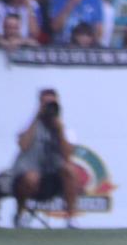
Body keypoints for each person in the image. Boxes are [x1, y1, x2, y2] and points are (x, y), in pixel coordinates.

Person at [8, 87, 79, 226]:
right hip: (28, 176)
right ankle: (21, 214)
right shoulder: (29, 126)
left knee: (70, 171)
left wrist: (59, 131)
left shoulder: (65, 129)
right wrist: (37, 116)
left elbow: (67, 156)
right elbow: (23, 145)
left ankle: (71, 218)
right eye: (46, 104)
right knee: (31, 177)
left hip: (53, 177)